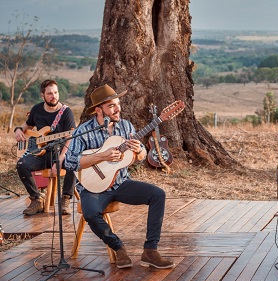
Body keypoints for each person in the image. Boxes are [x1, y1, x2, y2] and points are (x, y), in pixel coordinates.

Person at [65, 84, 174, 269]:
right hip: (93, 187)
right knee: (90, 213)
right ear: (99, 110)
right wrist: (102, 156)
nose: (118, 109)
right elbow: (69, 162)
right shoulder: (84, 131)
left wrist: (139, 150)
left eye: (117, 104)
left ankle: (150, 251)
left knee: (158, 195)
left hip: (121, 183)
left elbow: (139, 158)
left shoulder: (125, 126)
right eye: (112, 106)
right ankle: (118, 247)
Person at [14, 79, 76, 216]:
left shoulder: (66, 112)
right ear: (43, 95)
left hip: (61, 152)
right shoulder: (36, 109)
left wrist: (61, 158)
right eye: (49, 93)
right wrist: (18, 129)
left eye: (55, 92)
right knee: (21, 164)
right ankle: (36, 199)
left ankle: (65, 198)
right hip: (42, 153)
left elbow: (70, 138)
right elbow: (28, 125)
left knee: (74, 161)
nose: (53, 96)